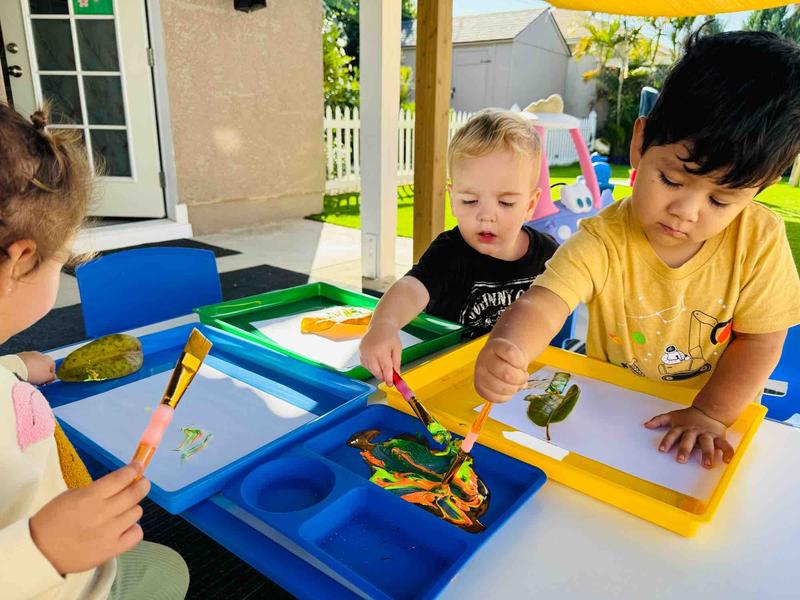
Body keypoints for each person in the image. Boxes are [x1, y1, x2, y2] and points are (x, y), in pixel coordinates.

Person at [474, 31, 800, 468]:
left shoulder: (758, 240)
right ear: (640, 143)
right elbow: (544, 303)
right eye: (671, 180)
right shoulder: (603, 239)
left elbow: (761, 341)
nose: (685, 211)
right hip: (608, 413)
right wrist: (510, 346)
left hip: (711, 425)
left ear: (758, 188)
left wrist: (710, 412)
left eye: (720, 200)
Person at [0, 102, 189, 599]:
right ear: (19, 262)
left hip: (72, 550)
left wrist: (16, 365)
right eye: (59, 261)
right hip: (52, 581)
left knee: (166, 563)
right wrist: (40, 551)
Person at [360, 109, 558, 384]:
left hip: (513, 382)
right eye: (469, 201)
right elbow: (410, 289)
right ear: (453, 199)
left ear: (531, 205)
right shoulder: (449, 252)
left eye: (506, 203)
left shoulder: (548, 255)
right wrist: (384, 326)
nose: (486, 215)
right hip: (445, 376)